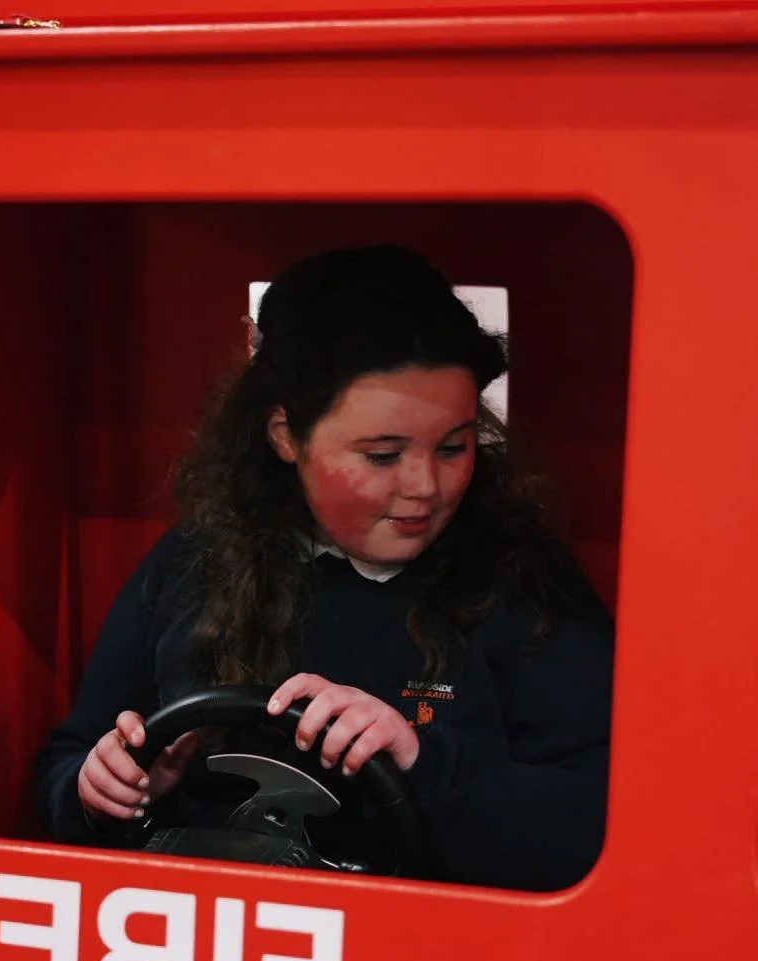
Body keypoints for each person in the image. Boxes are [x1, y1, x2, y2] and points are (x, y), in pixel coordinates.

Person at [35, 244, 613, 891]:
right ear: (286, 436)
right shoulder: (194, 561)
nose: (425, 485)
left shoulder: (521, 578)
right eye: (381, 455)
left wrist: (422, 762)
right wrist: (104, 789)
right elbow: (68, 763)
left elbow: (598, 825)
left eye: (454, 446)